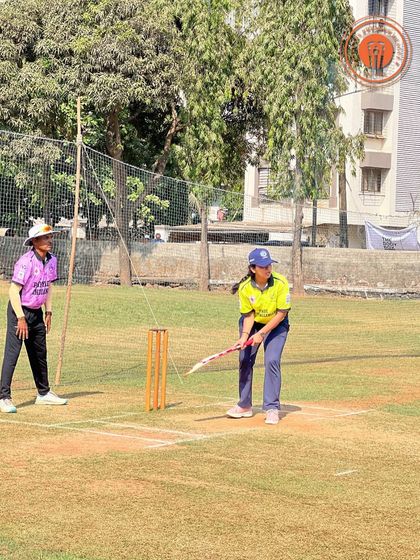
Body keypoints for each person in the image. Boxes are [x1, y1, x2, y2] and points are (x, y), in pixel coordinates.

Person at [0, 224, 68, 413]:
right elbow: (13, 291)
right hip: (19, 311)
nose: (50, 240)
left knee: (39, 353)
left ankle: (43, 393)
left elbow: (48, 287)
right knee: (12, 354)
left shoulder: (52, 260)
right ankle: (3, 397)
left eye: (50, 237)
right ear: (35, 241)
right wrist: (20, 318)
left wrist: (49, 311)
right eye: (46, 238)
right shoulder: (25, 262)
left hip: (37, 312)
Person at [226, 248, 291, 425]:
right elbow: (248, 315)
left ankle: (271, 408)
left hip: (276, 325)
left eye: (269, 265)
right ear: (253, 269)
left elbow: (281, 313)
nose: (268, 269)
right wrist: (244, 336)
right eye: (263, 266)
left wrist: (262, 333)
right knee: (245, 359)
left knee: (271, 360)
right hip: (253, 323)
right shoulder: (245, 287)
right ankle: (244, 405)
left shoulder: (280, 282)